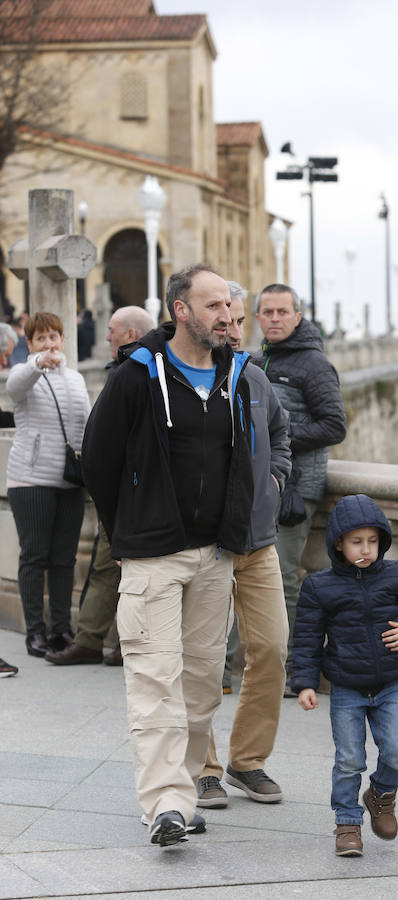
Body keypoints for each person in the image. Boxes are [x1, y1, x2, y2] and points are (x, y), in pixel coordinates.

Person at [82, 264, 254, 848]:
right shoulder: (137, 374)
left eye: (228, 306)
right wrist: (129, 533)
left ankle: (181, 789)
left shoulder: (235, 373)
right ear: (181, 310)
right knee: (156, 680)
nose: (226, 317)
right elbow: (98, 460)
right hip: (153, 557)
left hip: (215, 556)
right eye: (213, 306)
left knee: (202, 686)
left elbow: (243, 456)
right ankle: (166, 806)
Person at [292, 493, 398, 857]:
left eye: (372, 540)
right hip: (347, 688)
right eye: (356, 541)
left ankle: (380, 795)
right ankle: (347, 822)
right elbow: (306, 638)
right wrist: (305, 683)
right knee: (349, 759)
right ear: (339, 543)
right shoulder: (319, 587)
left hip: (388, 685)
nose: (366, 549)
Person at [197, 281, 291, 808]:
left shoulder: (254, 375)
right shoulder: (183, 377)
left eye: (238, 321)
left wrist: (274, 481)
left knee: (272, 649)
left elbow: (281, 433)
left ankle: (247, 761)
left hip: (257, 540)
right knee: (204, 660)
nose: (233, 330)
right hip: (205, 544)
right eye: (223, 319)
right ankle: (202, 767)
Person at [45, 306, 154, 667]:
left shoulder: (138, 372)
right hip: (122, 488)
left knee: (127, 568)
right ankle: (99, 640)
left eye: (112, 330)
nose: (105, 336)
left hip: (134, 489)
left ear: (131, 334)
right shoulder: (128, 369)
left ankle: (111, 641)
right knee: (111, 566)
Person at [254, 283, 346, 694]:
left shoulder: (314, 364)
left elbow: (334, 426)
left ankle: (294, 670)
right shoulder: (258, 359)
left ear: (297, 316)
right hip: (259, 485)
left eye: (282, 312)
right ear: (258, 317)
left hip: (296, 490)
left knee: (283, 577)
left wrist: (277, 434)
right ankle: (261, 663)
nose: (274, 319)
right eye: (267, 312)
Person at [6, 312, 91, 657]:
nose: (48, 344)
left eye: (53, 337)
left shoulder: (76, 379)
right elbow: (14, 386)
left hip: (70, 481)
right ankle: (35, 633)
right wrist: (37, 364)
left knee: (64, 559)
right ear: (29, 344)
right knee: (34, 556)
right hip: (31, 480)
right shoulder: (24, 374)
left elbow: (87, 423)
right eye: (40, 338)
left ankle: (61, 630)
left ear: (62, 339)